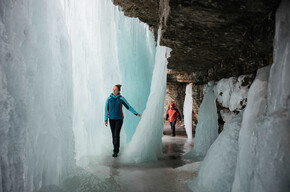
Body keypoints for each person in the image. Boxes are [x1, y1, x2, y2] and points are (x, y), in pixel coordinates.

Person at [105, 84, 141, 158]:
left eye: (115, 90)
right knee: (113, 135)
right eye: (113, 89)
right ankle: (115, 148)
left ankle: (116, 151)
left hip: (119, 119)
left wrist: (135, 113)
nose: (114, 91)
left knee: (116, 135)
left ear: (118, 91)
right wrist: (106, 119)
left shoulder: (121, 99)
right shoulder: (109, 99)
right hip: (111, 119)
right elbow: (106, 109)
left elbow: (128, 106)